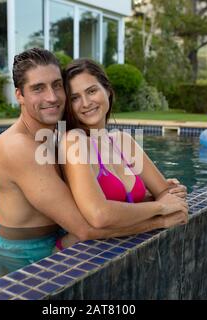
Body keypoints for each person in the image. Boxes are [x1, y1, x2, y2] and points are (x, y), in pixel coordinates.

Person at [0, 48, 188, 274]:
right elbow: (87, 227)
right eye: (38, 88)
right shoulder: (18, 147)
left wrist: (152, 193)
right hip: (23, 251)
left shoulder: (58, 136)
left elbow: (89, 195)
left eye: (57, 85)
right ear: (19, 95)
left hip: (57, 234)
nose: (51, 97)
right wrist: (159, 217)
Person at [55, 58, 188, 248]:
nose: (85, 103)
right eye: (75, 98)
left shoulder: (123, 141)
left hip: (122, 250)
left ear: (107, 90)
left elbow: (167, 193)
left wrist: (164, 196)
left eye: (91, 91)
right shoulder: (73, 142)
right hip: (77, 258)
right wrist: (159, 207)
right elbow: (99, 215)